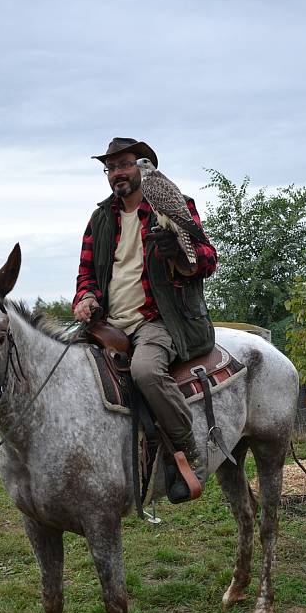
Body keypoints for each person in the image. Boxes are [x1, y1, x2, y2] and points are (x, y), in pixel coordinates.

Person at [72, 137, 217, 497]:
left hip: (160, 320)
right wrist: (86, 298)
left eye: (123, 165)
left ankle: (187, 451)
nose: (116, 173)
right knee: (59, 361)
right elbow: (86, 274)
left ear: (142, 167)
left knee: (145, 371)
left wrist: (183, 259)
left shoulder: (174, 203)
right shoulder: (100, 218)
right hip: (109, 322)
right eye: (110, 168)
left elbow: (208, 259)